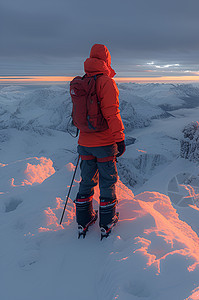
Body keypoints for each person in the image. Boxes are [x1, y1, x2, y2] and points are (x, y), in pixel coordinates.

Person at [74, 44, 125, 238]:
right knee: (107, 180)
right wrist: (119, 138)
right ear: (107, 60)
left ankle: (83, 219)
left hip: (84, 142)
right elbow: (112, 112)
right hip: (104, 143)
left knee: (86, 180)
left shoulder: (83, 82)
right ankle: (107, 221)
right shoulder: (106, 82)